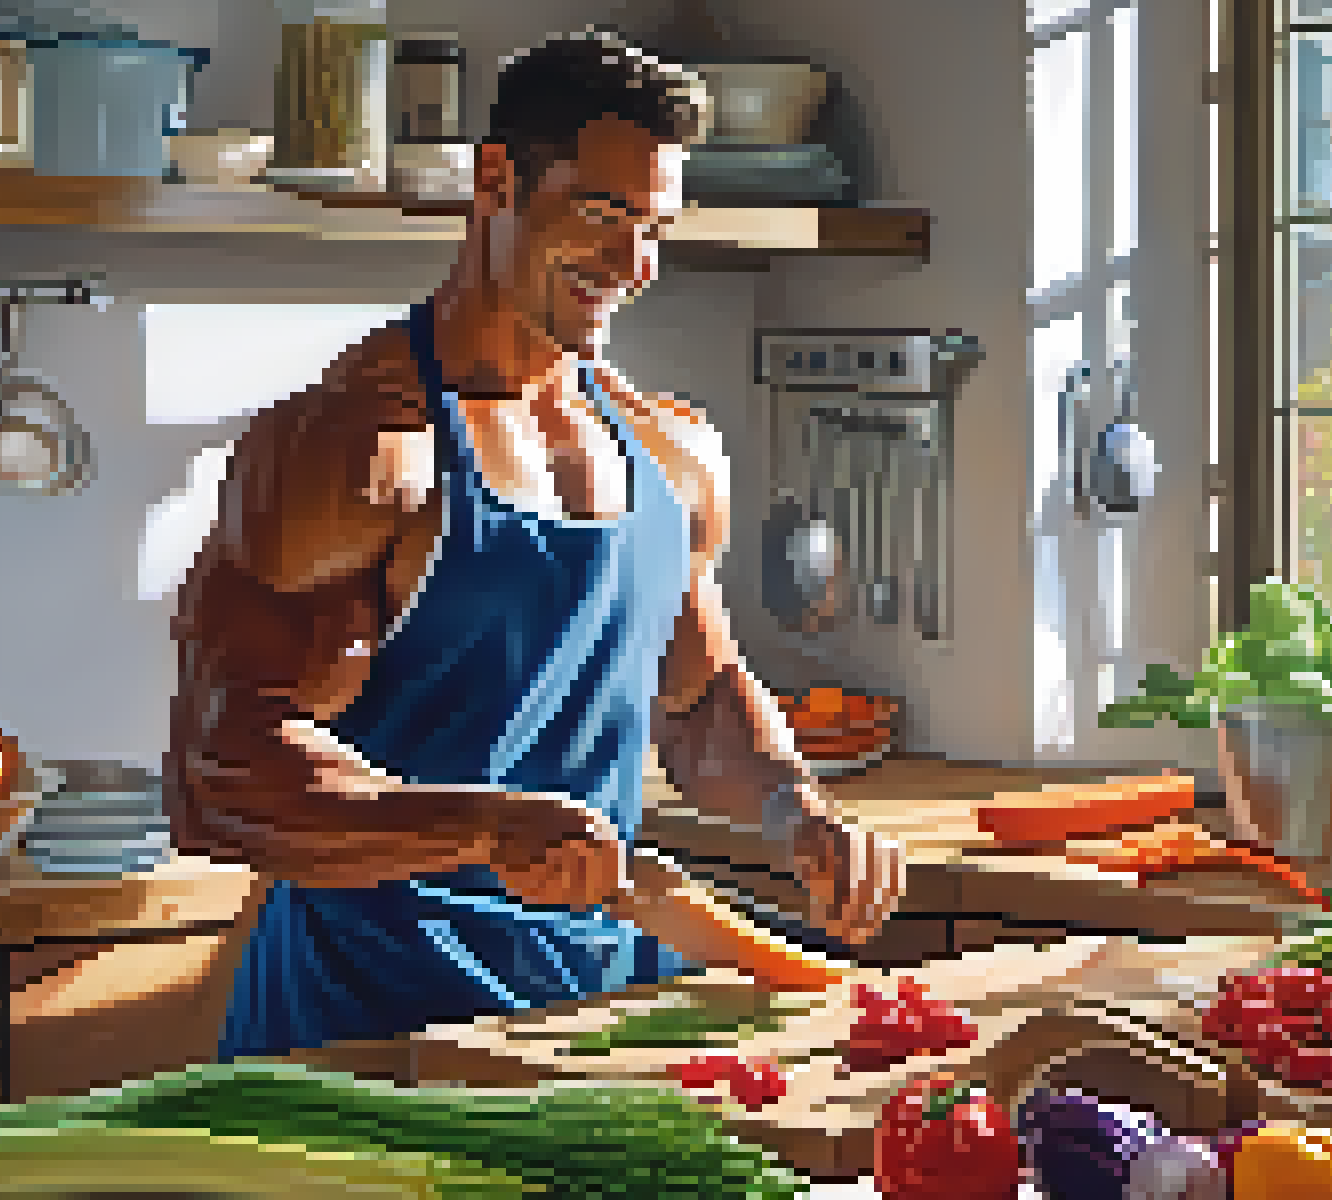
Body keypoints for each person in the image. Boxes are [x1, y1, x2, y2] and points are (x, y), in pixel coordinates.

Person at [165, 28, 907, 1062]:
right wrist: (485, 828)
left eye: (653, 227)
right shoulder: (359, 446)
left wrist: (795, 806)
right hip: (369, 1026)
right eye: (600, 214)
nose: (630, 263)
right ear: (497, 179)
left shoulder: (672, 450)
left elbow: (696, 702)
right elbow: (225, 769)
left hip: (591, 1014)